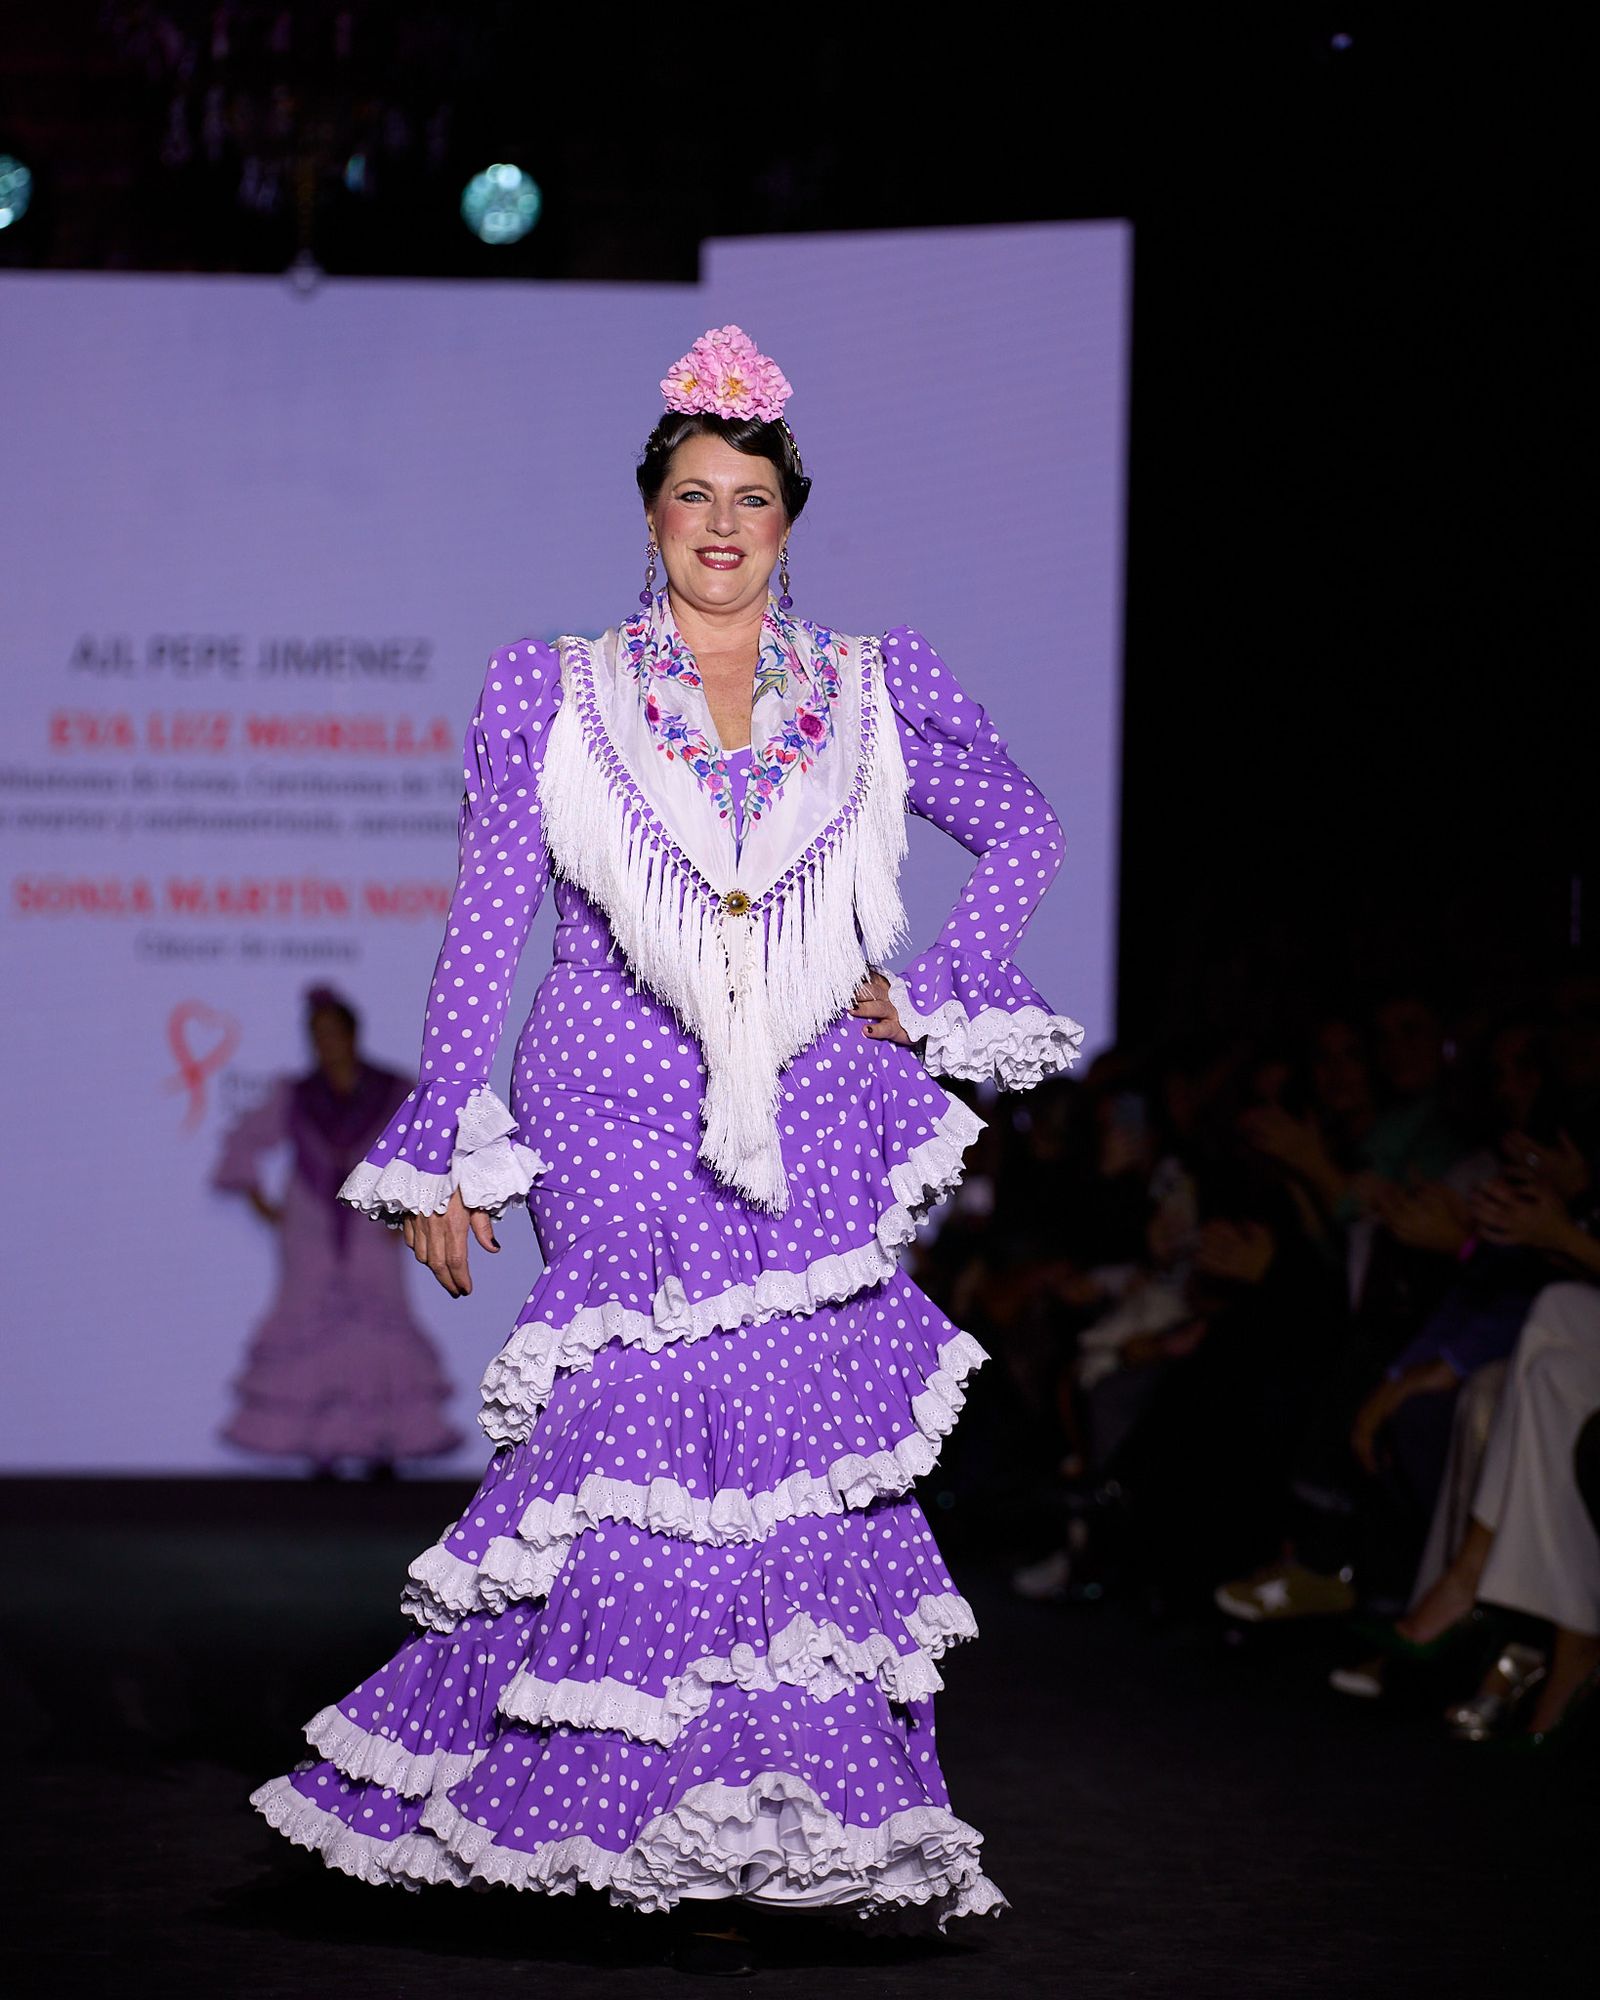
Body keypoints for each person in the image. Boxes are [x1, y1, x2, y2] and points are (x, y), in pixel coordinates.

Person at [247, 326, 1083, 1954]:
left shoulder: (869, 684)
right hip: (610, 1098)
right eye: (692, 494)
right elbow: (489, 923)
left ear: (787, 521)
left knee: (784, 1447)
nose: (720, 524)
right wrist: (444, 1141)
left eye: (750, 500)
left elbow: (1027, 823)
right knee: (637, 1449)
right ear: (648, 515)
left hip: (818, 1098)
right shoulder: (550, 690)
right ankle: (610, 1810)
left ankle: (780, 1818)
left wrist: (950, 987)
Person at [212, 986, 461, 1473]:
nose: (325, 1042)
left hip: (371, 1224)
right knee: (312, 1331)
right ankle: (320, 1445)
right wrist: (259, 1199)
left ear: (352, 1034)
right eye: (316, 1034)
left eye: (332, 1032)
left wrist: (414, 1209)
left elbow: (432, 1148)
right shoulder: (297, 1095)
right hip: (311, 1227)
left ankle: (379, 1444)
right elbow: (245, 1139)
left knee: (377, 1325)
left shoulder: (391, 1090)